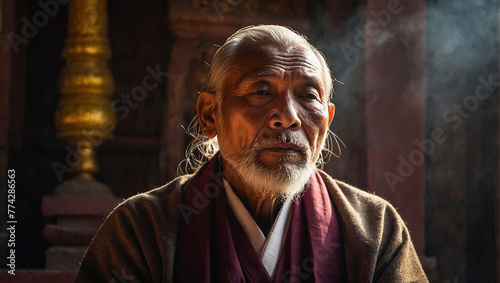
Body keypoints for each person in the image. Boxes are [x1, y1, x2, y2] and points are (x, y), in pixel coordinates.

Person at [75, 25, 427, 282]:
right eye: (261, 91)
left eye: (308, 96)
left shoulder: (375, 229)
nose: (289, 117)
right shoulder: (141, 229)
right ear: (210, 114)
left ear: (327, 120)